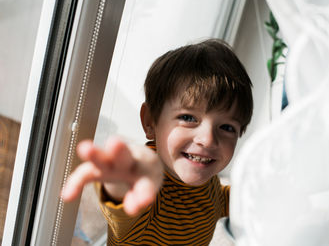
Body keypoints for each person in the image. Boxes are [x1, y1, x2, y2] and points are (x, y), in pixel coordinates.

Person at [62, 38, 253, 245]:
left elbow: (218, 200)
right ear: (150, 121)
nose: (207, 140)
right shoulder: (150, 190)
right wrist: (122, 180)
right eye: (188, 118)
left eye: (227, 127)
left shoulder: (208, 179)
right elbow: (127, 203)